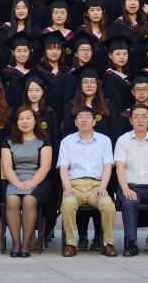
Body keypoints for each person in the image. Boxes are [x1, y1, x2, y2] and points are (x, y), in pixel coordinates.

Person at [58, 108, 119, 257]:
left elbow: (108, 166)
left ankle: (108, 243)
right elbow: (63, 167)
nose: (84, 119)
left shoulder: (104, 140)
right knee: (67, 204)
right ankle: (71, 243)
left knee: (108, 205)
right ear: (75, 122)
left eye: (87, 117)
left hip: (96, 186)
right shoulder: (67, 141)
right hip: (74, 185)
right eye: (80, 117)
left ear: (94, 121)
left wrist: (103, 187)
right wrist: (67, 187)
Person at [113, 104, 148, 257]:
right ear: (130, 120)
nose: (140, 120)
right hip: (130, 186)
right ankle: (131, 244)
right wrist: (125, 189)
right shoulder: (122, 140)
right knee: (129, 202)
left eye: (143, 117)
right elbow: (119, 167)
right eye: (136, 117)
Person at [0, 108, 50, 257]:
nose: (24, 122)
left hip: (38, 180)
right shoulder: (8, 141)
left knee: (29, 200)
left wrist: (32, 182)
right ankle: (16, 243)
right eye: (21, 118)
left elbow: (45, 166)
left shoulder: (44, 140)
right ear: (16, 122)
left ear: (35, 121)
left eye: (28, 118)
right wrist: (17, 183)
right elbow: (7, 167)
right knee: (12, 200)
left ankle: (26, 244)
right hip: (15, 179)